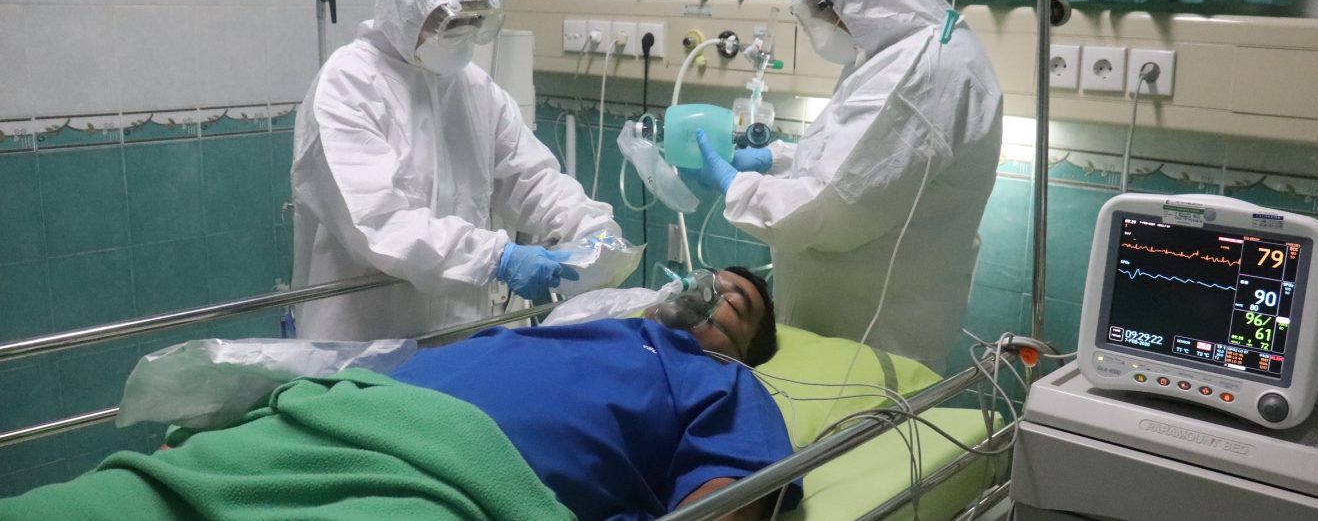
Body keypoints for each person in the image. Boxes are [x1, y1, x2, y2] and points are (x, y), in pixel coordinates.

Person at [0, 268, 800, 520]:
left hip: (446, 480)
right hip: (320, 420)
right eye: (711, 278)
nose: (714, 291)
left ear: (746, 347)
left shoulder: (723, 383)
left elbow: (732, 499)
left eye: (739, 301)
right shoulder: (565, 327)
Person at [689, 0, 1003, 372]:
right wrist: (774, 159)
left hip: (874, 343)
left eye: (822, 4)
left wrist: (737, 187)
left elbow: (828, 210)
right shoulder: (896, 49)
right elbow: (856, 160)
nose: (817, 16)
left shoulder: (923, 70)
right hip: (838, 334)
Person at [291, 0, 621, 342]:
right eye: (450, 20)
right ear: (406, 8)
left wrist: (589, 226)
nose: (463, 32)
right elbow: (380, 225)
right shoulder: (348, 86)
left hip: (459, 335)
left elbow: (532, 179)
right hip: (366, 341)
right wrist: (498, 258)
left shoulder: (474, 88)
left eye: (475, 19)